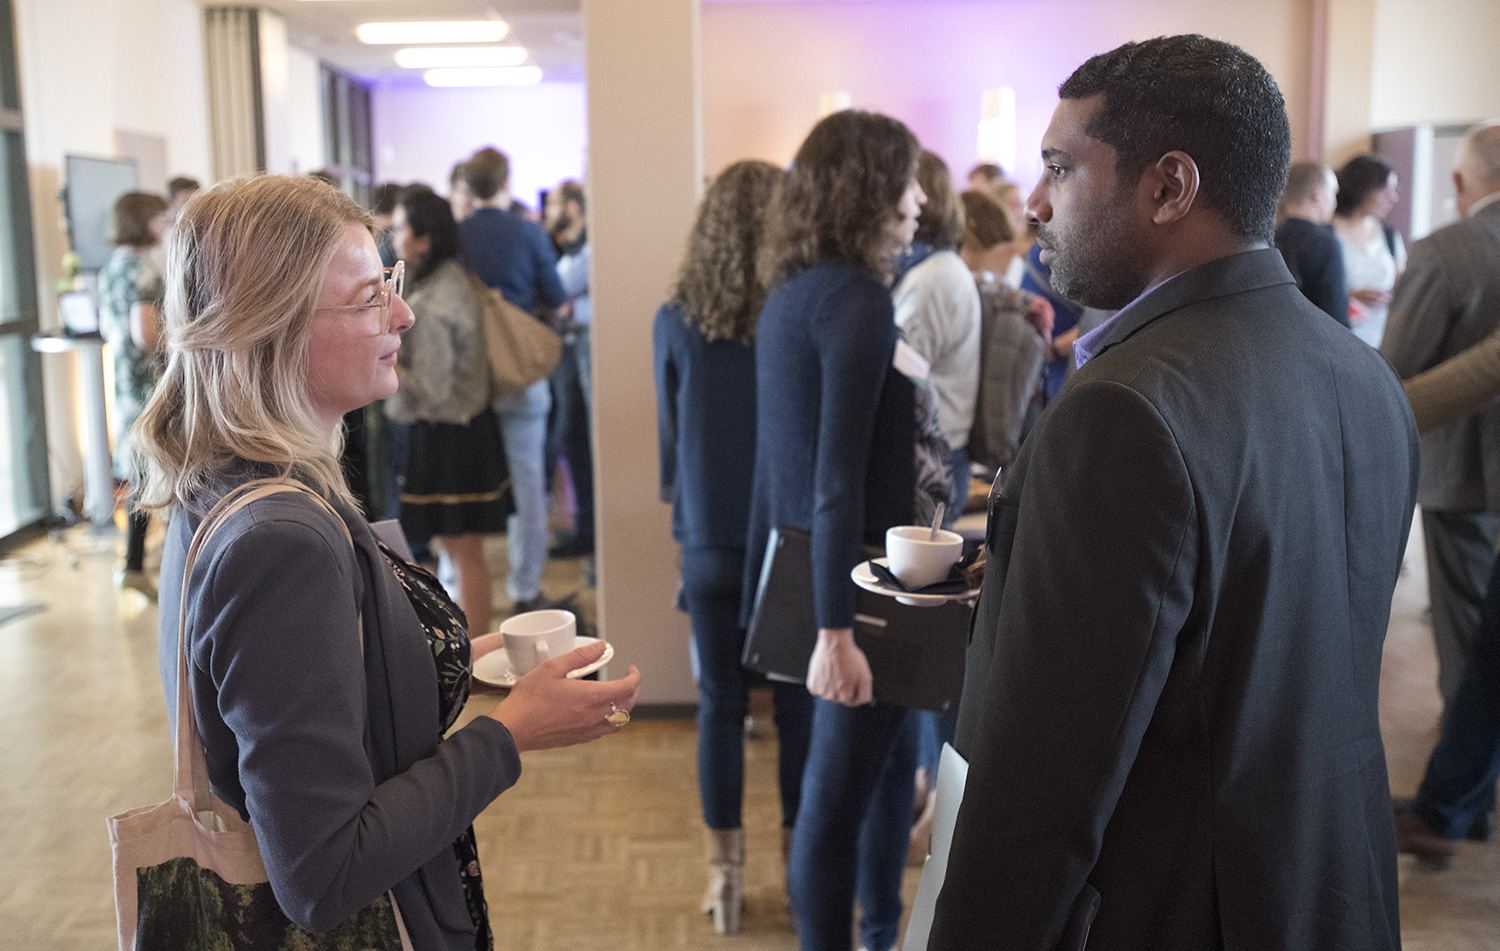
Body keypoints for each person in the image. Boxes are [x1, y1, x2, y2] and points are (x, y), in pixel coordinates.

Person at [929, 35, 1417, 951]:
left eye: (1060, 168)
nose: (1034, 203)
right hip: (1327, 893)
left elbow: (1042, 796)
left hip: (1174, 909)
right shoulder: (1365, 377)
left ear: (1168, 187)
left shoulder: (1121, 409)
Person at [132, 173, 640, 951]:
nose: (402, 314)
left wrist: (462, 659)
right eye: (371, 296)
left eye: (390, 284)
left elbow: (326, 686)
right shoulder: (279, 541)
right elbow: (323, 871)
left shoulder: (230, 478)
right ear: (271, 324)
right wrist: (510, 734)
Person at [742, 109, 927, 951]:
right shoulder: (857, 298)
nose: (918, 199)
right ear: (868, 190)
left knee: (883, 775)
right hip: (853, 587)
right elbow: (835, 479)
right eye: (906, 181)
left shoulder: (793, 293)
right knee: (832, 808)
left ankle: (882, 933)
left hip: (819, 573)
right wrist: (835, 630)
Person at [654, 159, 813, 935]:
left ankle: (725, 877)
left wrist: (685, 520)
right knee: (796, 705)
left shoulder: (677, 317)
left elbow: (671, 440)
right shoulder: (803, 311)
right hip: (790, 537)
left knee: (719, 703)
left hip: (711, 535)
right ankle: (798, 868)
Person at [1381, 118, 1500, 843]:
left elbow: (1398, 368)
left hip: (1462, 472)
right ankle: (1459, 798)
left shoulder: (1445, 250)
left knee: (1471, 647)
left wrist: (1370, 419)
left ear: (1461, 180)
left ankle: (1461, 801)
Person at [386, 187, 508, 637]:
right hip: (462, 428)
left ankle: (471, 651)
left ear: (423, 239)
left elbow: (433, 390)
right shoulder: (452, 279)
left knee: (461, 552)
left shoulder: (434, 300)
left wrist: (389, 363)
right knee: (461, 553)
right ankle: (470, 646)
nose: (393, 235)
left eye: (400, 227)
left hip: (447, 435)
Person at [459, 147, 570, 614]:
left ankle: (460, 588)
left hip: (469, 382)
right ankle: (525, 590)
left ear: (468, 187)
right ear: (507, 182)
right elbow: (559, 300)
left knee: (466, 487)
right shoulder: (528, 233)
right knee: (528, 486)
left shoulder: (457, 235)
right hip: (520, 375)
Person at [893, 151, 981, 518]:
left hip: (931, 465)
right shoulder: (928, 268)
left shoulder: (931, 279)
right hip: (931, 454)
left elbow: (900, 383)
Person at [99, 190, 170, 599]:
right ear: (143, 221)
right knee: (158, 467)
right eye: (159, 218)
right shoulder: (143, 269)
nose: (164, 225)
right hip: (148, 383)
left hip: (124, 382)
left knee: (140, 470)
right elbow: (146, 333)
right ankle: (150, 564)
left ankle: (134, 564)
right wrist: (185, 341)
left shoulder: (111, 268)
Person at [956, 189, 1048, 475]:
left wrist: (1055, 347)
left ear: (969, 225)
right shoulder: (1016, 264)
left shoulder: (1026, 262)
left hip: (1001, 431)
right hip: (1021, 407)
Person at [546, 180, 595, 562]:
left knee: (586, 440)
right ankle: (586, 529)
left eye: (555, 204)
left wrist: (575, 308)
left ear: (572, 207)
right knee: (574, 439)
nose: (548, 211)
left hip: (588, 356)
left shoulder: (594, 247)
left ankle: (591, 532)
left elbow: (557, 291)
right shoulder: (568, 248)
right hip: (571, 358)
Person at [1334, 154, 1405, 347]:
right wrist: (1348, 297)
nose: (1393, 198)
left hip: (1383, 341)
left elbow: (1402, 283)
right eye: (1386, 190)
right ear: (1364, 189)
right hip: (1341, 340)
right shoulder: (1327, 234)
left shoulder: (1389, 236)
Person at [1274, 161, 1349, 325]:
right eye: (1333, 194)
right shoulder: (1326, 246)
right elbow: (1335, 317)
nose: (1335, 203)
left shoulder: (1267, 239)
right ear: (1317, 195)